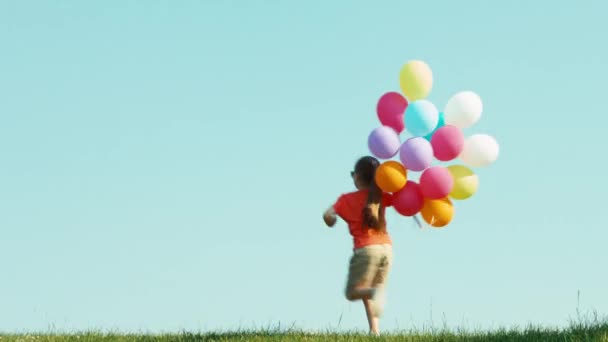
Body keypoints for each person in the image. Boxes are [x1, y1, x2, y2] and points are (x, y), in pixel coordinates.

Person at [323, 156, 394, 336]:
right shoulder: (381, 196)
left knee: (353, 292)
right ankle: (375, 331)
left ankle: (374, 293)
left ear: (357, 177)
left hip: (366, 250)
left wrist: (330, 220)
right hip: (386, 249)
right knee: (370, 293)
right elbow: (402, 199)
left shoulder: (346, 200)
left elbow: (327, 214)